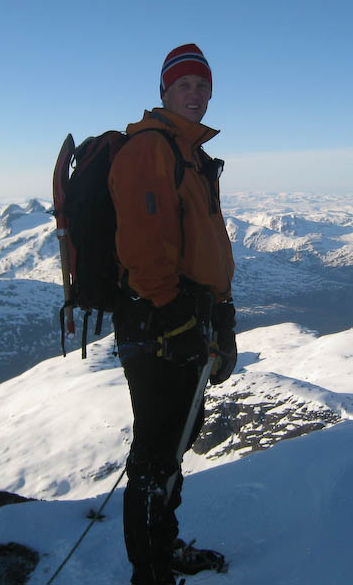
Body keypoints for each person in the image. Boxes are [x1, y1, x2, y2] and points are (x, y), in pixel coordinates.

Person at [108, 43, 237, 584]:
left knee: (176, 439)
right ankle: (151, 572)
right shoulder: (151, 148)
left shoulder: (191, 154)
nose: (195, 94)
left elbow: (204, 243)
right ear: (164, 91)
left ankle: (163, 548)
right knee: (157, 450)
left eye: (202, 86)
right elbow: (143, 244)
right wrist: (175, 314)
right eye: (184, 84)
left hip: (186, 313)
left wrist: (221, 313)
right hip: (157, 319)